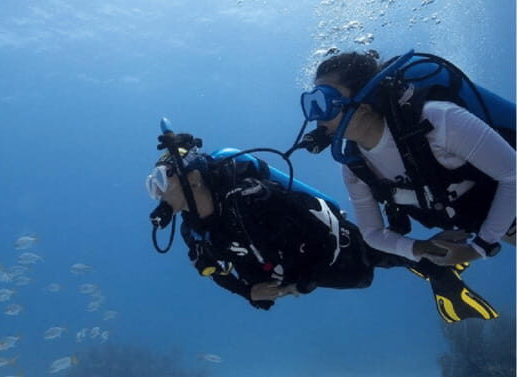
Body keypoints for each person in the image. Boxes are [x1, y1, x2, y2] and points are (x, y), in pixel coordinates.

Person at [146, 128, 497, 322]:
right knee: (385, 255)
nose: (157, 192)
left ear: (193, 179)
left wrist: (301, 281)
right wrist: (247, 292)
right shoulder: (193, 227)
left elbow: (311, 224)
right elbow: (207, 267)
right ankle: (428, 263)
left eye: (161, 180)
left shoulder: (250, 196)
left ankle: (439, 270)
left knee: (376, 254)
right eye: (152, 184)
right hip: (302, 272)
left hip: (335, 250)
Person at [299, 50, 515, 268]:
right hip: (483, 220)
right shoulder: (354, 166)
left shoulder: (437, 120)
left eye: (323, 100)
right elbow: (371, 232)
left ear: (363, 103)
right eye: (311, 103)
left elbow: (513, 174)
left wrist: (478, 249)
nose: (315, 115)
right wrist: (419, 248)